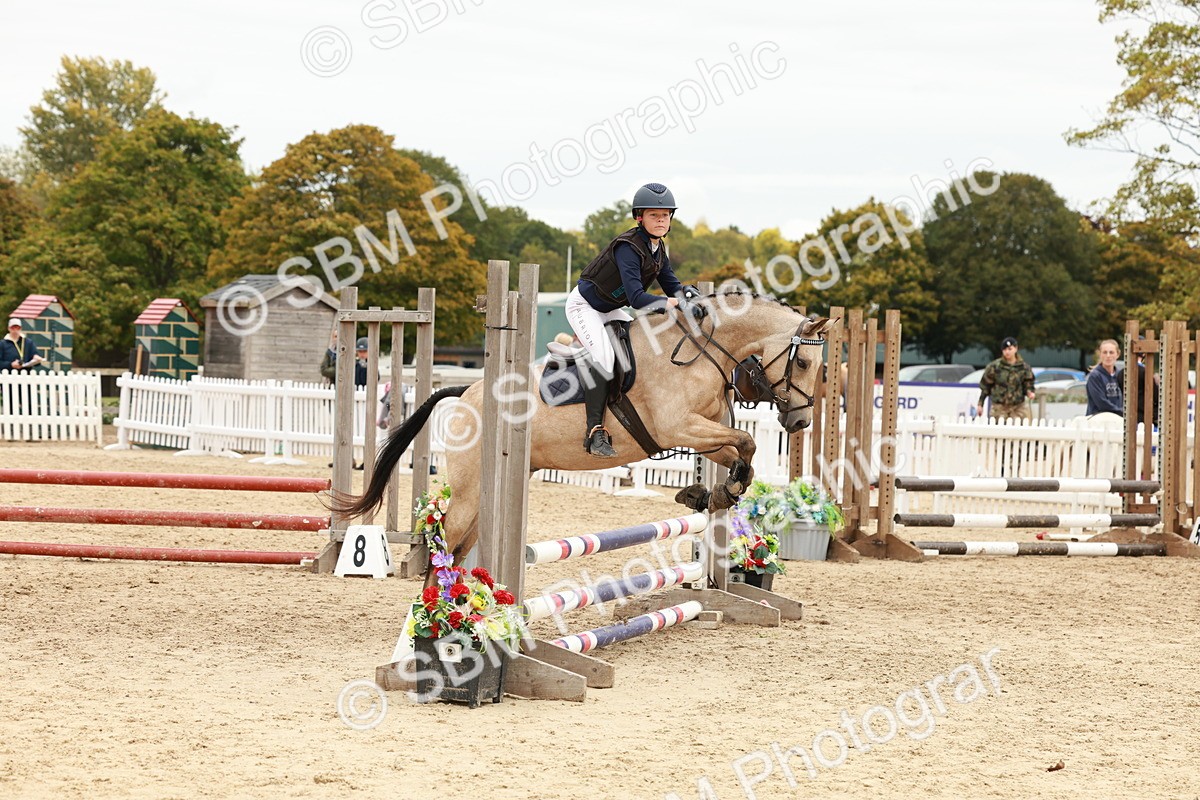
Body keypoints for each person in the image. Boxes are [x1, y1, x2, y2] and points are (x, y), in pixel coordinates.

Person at [567, 182, 703, 457]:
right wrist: (676, 303)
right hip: (585, 306)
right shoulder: (628, 247)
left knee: (637, 349)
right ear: (639, 217)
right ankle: (595, 432)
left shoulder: (658, 249)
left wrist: (691, 295)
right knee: (605, 357)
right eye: (654, 215)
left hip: (610, 307)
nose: (661, 220)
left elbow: (671, 285)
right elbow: (638, 299)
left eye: (665, 215)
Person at [976, 336, 1035, 420]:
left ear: (1016, 348)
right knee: (998, 430)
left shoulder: (1023, 367)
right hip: (999, 407)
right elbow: (985, 386)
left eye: (1010, 349)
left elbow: (1028, 383)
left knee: (1019, 429)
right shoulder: (995, 367)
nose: (1007, 352)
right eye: (1005, 350)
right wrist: (980, 404)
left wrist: (1029, 392)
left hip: (1018, 406)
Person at [1086, 339, 1123, 416]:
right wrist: (1121, 412)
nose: (1108, 356)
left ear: (1118, 354)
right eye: (1105, 352)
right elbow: (1101, 403)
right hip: (1098, 421)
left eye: (1111, 352)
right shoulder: (1095, 376)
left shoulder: (1120, 375)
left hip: (1118, 421)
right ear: (1100, 354)